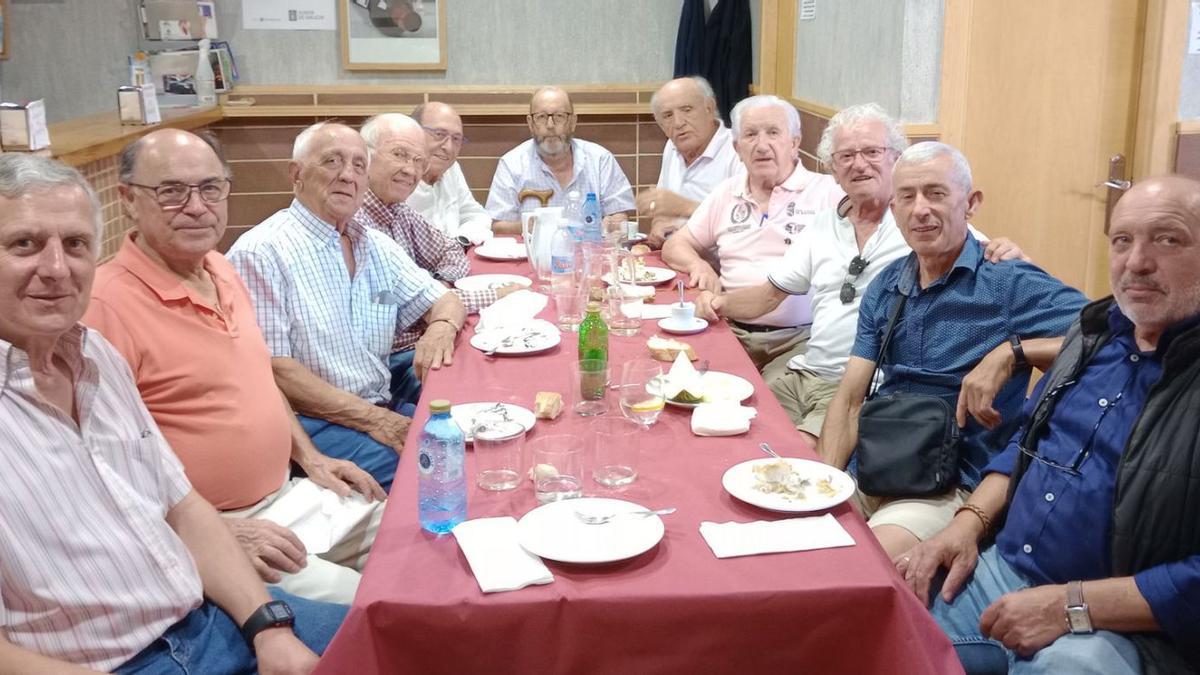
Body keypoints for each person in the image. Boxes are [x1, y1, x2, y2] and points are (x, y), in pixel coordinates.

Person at [0, 152, 345, 673]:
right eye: (24, 244)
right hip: (112, 663)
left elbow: (182, 508)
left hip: (207, 619)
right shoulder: (116, 311)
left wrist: (268, 627)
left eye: (75, 245)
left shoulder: (95, 357)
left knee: (401, 637)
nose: (55, 269)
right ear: (132, 202)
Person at [898, 175, 1200, 674]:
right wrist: (966, 525)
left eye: (1168, 239)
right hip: (1002, 570)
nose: (1137, 262)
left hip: (1126, 624)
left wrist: (1071, 605)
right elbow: (1028, 441)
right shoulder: (1092, 336)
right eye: (1122, 240)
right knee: (876, 617)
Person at [84, 129, 387, 605]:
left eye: (210, 187)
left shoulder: (221, 267)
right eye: (171, 191)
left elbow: (260, 382)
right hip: (222, 531)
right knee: (380, 606)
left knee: (420, 548)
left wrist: (310, 457)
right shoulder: (103, 307)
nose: (197, 206)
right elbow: (93, 475)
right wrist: (218, 532)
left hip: (293, 496)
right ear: (127, 199)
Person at [818, 141, 1088, 559]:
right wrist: (824, 488)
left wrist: (1014, 353)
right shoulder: (887, 287)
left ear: (971, 203)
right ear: (893, 209)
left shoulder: (1006, 281)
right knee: (796, 547)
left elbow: (1110, 332)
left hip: (952, 484)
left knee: (855, 565)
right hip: (879, 463)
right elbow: (851, 399)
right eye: (906, 197)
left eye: (936, 193)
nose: (919, 209)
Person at [703, 104, 1025, 445]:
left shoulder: (919, 224)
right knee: (724, 427)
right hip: (803, 371)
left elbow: (990, 256)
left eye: (872, 152)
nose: (859, 164)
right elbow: (769, 296)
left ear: (897, 159)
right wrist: (714, 302)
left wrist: (1010, 253)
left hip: (856, 388)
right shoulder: (822, 225)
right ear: (833, 169)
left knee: (784, 455)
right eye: (845, 156)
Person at [227, 121, 466, 491]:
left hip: (375, 405)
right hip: (313, 424)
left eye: (358, 165)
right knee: (435, 476)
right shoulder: (261, 252)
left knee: (468, 436)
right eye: (331, 162)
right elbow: (277, 371)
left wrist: (440, 328)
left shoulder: (372, 243)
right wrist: (376, 421)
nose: (347, 176)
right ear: (297, 174)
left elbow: (446, 299)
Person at [662, 94, 844, 374]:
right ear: (737, 147)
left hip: (800, 338)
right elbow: (676, 244)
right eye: (750, 135)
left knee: (770, 404)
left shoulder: (829, 193)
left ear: (794, 142)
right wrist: (697, 264)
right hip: (730, 330)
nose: (761, 146)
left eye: (773, 133)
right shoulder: (727, 192)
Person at [357, 113, 519, 409]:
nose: (410, 169)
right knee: (486, 392)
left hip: (416, 342)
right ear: (364, 158)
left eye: (418, 161)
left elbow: (451, 251)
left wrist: (435, 287)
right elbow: (390, 304)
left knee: (499, 369)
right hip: (388, 365)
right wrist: (494, 294)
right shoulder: (358, 223)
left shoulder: (395, 209)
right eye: (399, 155)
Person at [486, 86, 635, 235]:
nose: (550, 126)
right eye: (541, 117)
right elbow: (497, 226)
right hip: (530, 256)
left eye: (559, 116)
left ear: (573, 122)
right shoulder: (511, 164)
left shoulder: (600, 160)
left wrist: (613, 225)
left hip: (588, 253)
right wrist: (528, 226)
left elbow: (619, 214)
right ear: (530, 124)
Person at [636, 76, 741, 248]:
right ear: (660, 123)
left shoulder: (738, 149)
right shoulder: (671, 146)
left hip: (721, 262)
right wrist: (659, 224)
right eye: (668, 115)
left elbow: (749, 222)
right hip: (677, 254)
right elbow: (663, 209)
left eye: (687, 110)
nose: (678, 123)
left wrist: (685, 207)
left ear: (710, 107)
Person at [407, 101, 493, 245]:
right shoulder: (398, 178)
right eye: (439, 134)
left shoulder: (451, 169)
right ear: (413, 132)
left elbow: (477, 215)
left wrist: (460, 240)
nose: (448, 147)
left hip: (453, 260)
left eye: (456, 139)